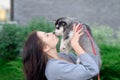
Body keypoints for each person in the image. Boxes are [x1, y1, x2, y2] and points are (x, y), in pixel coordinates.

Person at [22, 23, 99, 80]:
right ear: (45, 47)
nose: (51, 33)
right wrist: (75, 45)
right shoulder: (54, 68)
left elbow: (92, 64)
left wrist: (83, 41)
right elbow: (92, 70)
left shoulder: (65, 55)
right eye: (47, 35)